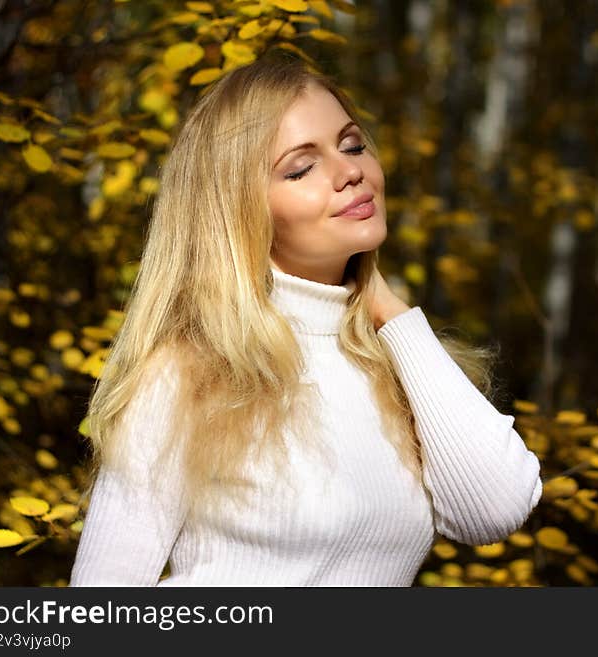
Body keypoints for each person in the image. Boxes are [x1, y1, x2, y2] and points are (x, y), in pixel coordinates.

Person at [69, 51, 543, 587]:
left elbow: (494, 510)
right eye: (301, 167)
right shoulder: (188, 376)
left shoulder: (392, 361)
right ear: (241, 210)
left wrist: (392, 314)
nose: (350, 172)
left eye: (353, 144)